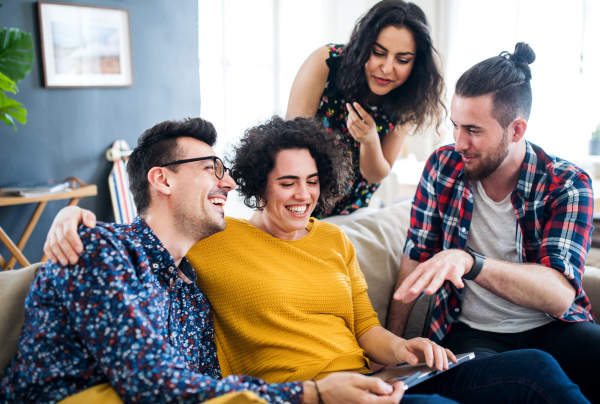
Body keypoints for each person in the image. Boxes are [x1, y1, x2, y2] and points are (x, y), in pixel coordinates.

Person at [44, 116, 591, 404]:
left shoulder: (334, 242)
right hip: (309, 394)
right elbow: (150, 234)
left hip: (372, 380)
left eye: (311, 182)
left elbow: (364, 328)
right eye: (287, 182)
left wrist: (405, 349)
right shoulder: (213, 240)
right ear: (260, 185)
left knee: (537, 370)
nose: (302, 196)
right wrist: (74, 217)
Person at [0, 118, 408, 404]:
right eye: (212, 170)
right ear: (162, 179)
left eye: (225, 171)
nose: (229, 183)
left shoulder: (192, 292)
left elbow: (205, 388)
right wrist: (313, 394)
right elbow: (152, 385)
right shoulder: (102, 252)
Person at [386, 42, 600, 402]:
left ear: (516, 130)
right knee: (533, 373)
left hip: (554, 328)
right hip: (473, 335)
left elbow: (561, 295)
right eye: (454, 126)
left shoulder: (567, 183)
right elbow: (416, 256)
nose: (458, 142)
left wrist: (470, 262)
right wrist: (390, 347)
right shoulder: (442, 167)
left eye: (473, 130)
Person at [287, 0, 445, 218]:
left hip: (349, 213)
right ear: (363, 46)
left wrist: (369, 140)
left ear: (416, 63)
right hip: (301, 200)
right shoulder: (326, 62)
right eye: (378, 53)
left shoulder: (410, 98)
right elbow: (289, 145)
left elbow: (375, 175)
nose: (387, 68)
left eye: (402, 59)